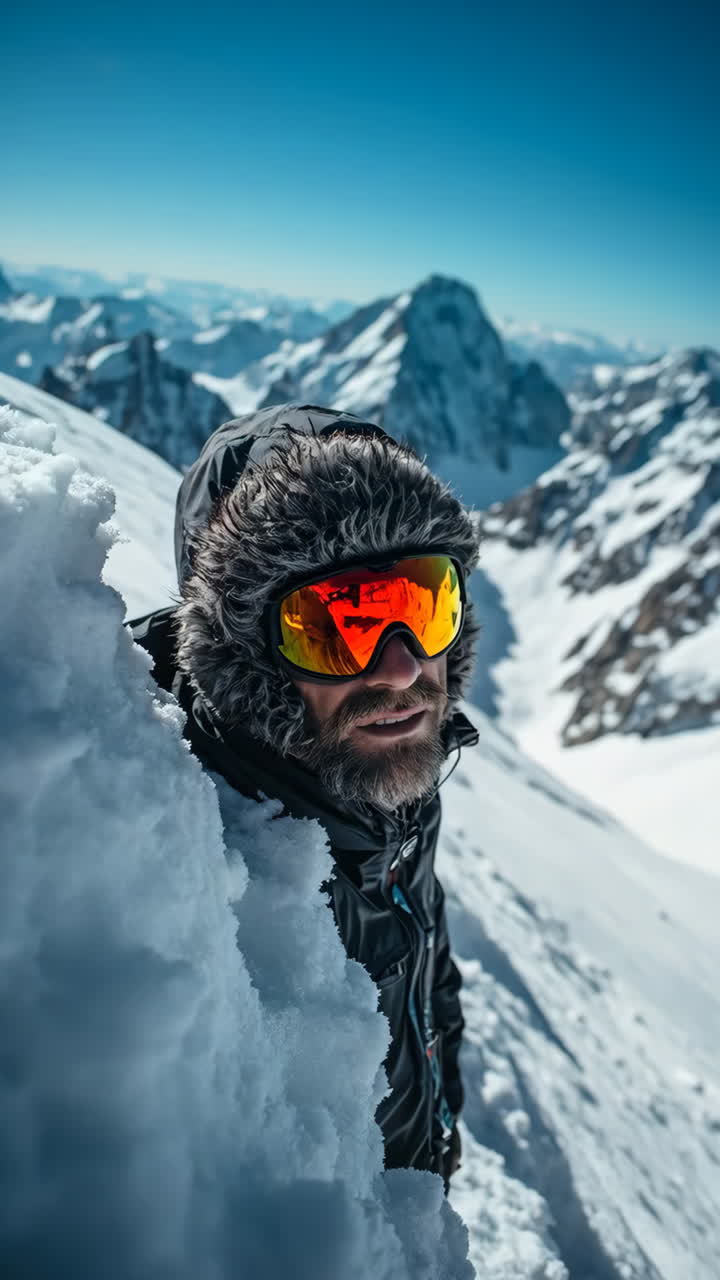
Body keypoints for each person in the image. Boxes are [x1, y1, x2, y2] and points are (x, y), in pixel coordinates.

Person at [130, 404, 480, 1188]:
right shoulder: (181, 850)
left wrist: (437, 1124)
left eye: (424, 606)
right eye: (335, 626)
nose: (400, 670)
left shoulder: (391, 772)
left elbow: (428, 956)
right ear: (246, 656)